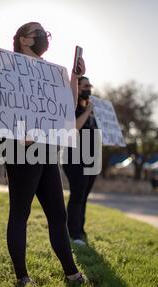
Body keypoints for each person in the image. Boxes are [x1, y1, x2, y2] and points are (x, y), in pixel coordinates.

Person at [4, 22, 87, 286]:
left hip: (46, 149)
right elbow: (0, 106)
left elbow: (68, 105)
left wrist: (74, 77)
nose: (44, 38)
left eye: (45, 34)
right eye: (38, 34)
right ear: (24, 41)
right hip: (21, 149)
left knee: (58, 215)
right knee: (20, 213)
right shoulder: (8, 69)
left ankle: (72, 274)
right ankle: (22, 277)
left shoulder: (50, 71)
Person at [62, 77, 98, 246]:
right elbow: (73, 128)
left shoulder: (90, 110)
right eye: (85, 86)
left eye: (90, 86)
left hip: (91, 159)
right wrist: (87, 111)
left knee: (84, 196)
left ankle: (80, 230)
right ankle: (73, 233)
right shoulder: (72, 107)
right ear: (77, 87)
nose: (89, 89)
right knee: (77, 195)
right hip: (74, 158)